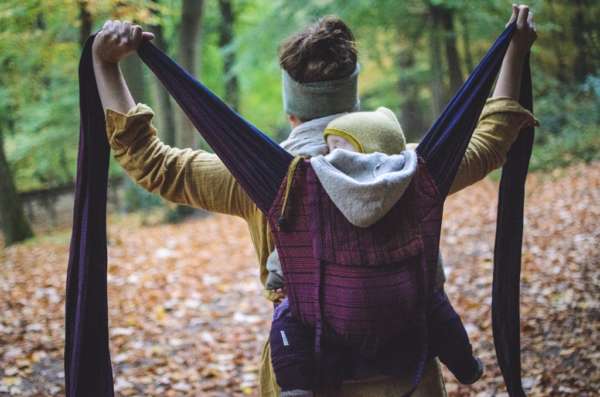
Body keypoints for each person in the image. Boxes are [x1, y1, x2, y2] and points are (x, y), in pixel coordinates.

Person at [91, 4, 536, 396]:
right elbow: (492, 139)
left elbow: (153, 165)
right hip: (410, 376)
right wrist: (513, 49)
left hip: (305, 375)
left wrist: (106, 65)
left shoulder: (264, 180)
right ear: (356, 99)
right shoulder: (413, 170)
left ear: (292, 111)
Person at [269, 107, 487, 397]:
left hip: (331, 309)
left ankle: (296, 386)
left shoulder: (318, 192)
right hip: (405, 299)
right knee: (435, 306)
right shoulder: (412, 180)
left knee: (288, 314)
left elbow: (296, 254)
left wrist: (276, 274)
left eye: (336, 149)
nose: (327, 156)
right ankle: (465, 365)